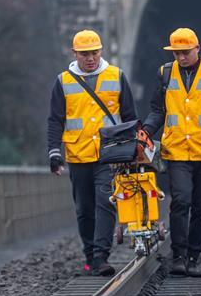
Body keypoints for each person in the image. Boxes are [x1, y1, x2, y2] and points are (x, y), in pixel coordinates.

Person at [142, 27, 201, 277]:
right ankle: (179, 256)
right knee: (181, 201)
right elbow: (157, 110)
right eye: (176, 53)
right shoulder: (164, 74)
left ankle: (194, 255)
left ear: (197, 49)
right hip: (177, 151)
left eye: (185, 52)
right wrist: (145, 131)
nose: (181, 57)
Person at [47, 29, 137, 276]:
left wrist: (132, 150)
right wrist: (54, 152)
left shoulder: (117, 77)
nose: (90, 58)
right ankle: (90, 253)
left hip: (109, 156)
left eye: (94, 53)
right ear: (75, 53)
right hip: (78, 155)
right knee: (84, 209)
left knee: (106, 203)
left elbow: (129, 117)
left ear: (101, 51)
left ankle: (100, 256)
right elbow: (55, 119)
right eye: (85, 54)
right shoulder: (63, 81)